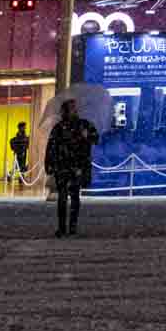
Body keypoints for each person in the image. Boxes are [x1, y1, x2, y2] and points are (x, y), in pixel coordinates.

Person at [45, 98, 98, 238]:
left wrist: (87, 136)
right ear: (65, 110)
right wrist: (49, 164)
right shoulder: (59, 127)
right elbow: (51, 146)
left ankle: (72, 228)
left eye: (75, 107)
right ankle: (62, 228)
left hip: (77, 166)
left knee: (74, 197)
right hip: (62, 166)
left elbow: (95, 139)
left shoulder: (84, 125)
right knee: (62, 198)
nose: (74, 109)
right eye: (71, 107)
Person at [9, 121, 32, 192]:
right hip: (20, 152)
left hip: (23, 152)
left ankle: (19, 177)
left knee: (20, 166)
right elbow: (21, 141)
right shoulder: (19, 134)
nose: (25, 128)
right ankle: (15, 177)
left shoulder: (23, 134)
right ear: (21, 127)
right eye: (24, 126)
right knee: (19, 165)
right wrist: (26, 140)